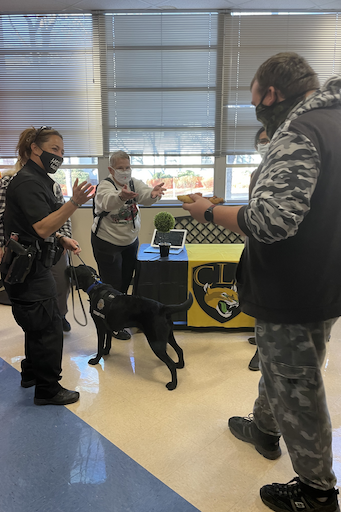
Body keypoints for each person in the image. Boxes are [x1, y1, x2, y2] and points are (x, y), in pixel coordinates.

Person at [181, 52, 341, 512]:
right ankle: (266, 429)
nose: (255, 108)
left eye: (254, 98)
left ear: (270, 93)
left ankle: (316, 492)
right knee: (280, 368)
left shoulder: (299, 131)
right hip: (323, 282)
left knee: (297, 384)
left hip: (293, 287)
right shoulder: (333, 124)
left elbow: (271, 221)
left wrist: (208, 212)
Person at [1, 126, 94, 406]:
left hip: (31, 266)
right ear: (34, 148)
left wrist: (62, 237)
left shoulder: (39, 179)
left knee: (37, 326)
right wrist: (75, 203)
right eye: (54, 150)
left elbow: (36, 225)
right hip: (28, 271)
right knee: (49, 329)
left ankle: (31, 373)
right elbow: (41, 227)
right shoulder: (28, 181)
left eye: (62, 152)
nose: (59, 156)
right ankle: (48, 389)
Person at [91, 150, 166, 340]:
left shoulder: (133, 182)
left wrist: (154, 195)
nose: (125, 171)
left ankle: (121, 315)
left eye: (127, 167)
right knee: (112, 285)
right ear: (111, 169)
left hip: (130, 241)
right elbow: (107, 202)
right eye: (120, 168)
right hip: (107, 242)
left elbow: (145, 195)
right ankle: (111, 325)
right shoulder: (105, 186)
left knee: (125, 283)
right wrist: (121, 197)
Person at [0, 163, 73, 332]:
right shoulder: (10, 182)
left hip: (52, 243)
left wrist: (64, 237)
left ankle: (59, 316)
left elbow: (62, 216)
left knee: (61, 282)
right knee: (29, 295)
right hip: (21, 248)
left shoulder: (51, 184)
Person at [248, 127, 270, 371]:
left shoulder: (285, 172)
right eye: (262, 141)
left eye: (270, 140)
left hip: (278, 249)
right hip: (257, 243)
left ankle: (261, 351)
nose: (266, 145)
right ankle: (260, 336)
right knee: (257, 293)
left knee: (269, 297)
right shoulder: (256, 173)